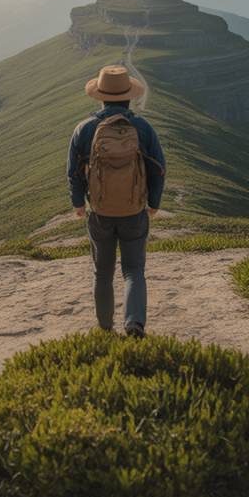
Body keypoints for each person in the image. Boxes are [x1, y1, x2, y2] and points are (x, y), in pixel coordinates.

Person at [67, 65, 166, 337]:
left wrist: (78, 203)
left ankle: (105, 328)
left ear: (100, 97)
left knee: (102, 272)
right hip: (134, 211)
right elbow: (158, 168)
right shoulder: (142, 128)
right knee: (134, 270)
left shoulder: (85, 129)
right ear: (129, 96)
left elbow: (73, 171)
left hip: (99, 212)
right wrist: (153, 203)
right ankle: (134, 323)